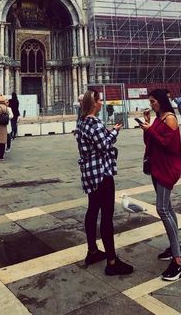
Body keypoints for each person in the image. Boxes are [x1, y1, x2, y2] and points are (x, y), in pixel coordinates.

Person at [75, 90, 133, 276]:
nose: (102, 102)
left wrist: (106, 133)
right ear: (94, 104)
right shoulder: (94, 122)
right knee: (107, 216)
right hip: (101, 173)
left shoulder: (81, 121)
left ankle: (92, 251)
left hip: (90, 174)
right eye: (100, 100)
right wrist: (115, 131)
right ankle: (112, 261)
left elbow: (96, 141)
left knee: (92, 209)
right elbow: (104, 145)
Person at [139, 89, 181, 281]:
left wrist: (150, 129)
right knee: (167, 208)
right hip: (156, 167)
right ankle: (176, 246)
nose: (151, 104)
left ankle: (178, 262)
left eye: (153, 101)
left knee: (162, 209)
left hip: (167, 168)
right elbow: (149, 141)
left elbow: (171, 146)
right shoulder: (159, 118)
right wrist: (148, 125)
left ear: (160, 101)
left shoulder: (170, 119)